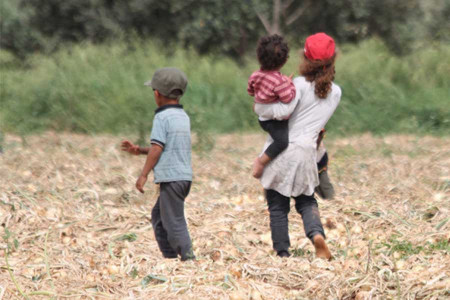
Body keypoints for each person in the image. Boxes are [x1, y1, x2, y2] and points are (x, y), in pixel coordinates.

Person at [259, 33, 341, 259]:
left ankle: (283, 253)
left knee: (277, 205)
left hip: (282, 152)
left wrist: (262, 108)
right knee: (306, 201)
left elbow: (283, 113)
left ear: (305, 57)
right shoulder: (336, 93)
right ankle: (316, 235)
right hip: (308, 153)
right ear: (333, 60)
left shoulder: (297, 85)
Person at [121, 67, 195, 261]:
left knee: (174, 221)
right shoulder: (182, 116)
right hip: (184, 178)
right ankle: (170, 258)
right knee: (159, 217)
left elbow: (157, 148)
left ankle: (188, 259)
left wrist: (144, 173)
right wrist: (139, 150)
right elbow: (164, 147)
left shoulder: (161, 117)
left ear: (157, 93)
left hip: (171, 179)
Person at [247, 34, 298, 179]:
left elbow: (250, 91)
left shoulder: (255, 75)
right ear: (284, 60)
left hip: (262, 119)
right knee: (282, 142)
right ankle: (261, 162)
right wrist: (290, 85)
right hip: (274, 121)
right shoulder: (280, 81)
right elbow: (288, 97)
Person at [315, 129, 335, 200]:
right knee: (314, 185)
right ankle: (324, 200)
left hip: (318, 158)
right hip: (308, 158)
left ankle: (331, 200)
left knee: (324, 183)